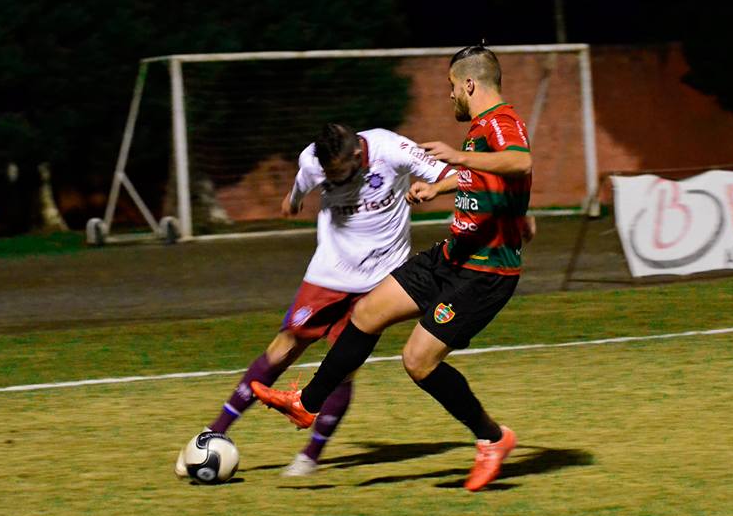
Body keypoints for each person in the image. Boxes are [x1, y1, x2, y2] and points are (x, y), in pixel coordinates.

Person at [252, 45, 536, 491]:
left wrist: (457, 158)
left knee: (417, 361)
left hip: (484, 272)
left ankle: (492, 438)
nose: (450, 98)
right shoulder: (485, 126)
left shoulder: (499, 123)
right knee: (367, 312)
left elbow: (521, 161)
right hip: (453, 254)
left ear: (469, 84)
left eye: (450, 89)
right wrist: (440, 188)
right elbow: (493, 179)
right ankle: (307, 404)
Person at [196, 122, 454, 476]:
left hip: (381, 280)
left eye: (341, 172)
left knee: (342, 369)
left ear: (357, 155)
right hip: (329, 271)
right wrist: (293, 201)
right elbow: (301, 186)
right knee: (283, 347)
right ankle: (214, 432)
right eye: (328, 174)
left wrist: (436, 187)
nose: (334, 180)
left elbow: (454, 175)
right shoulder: (313, 161)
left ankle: (310, 456)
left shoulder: (391, 148)